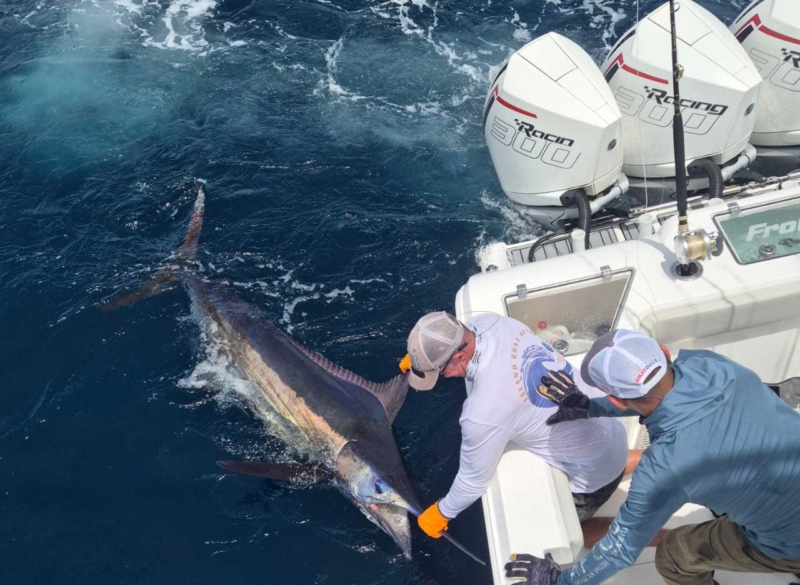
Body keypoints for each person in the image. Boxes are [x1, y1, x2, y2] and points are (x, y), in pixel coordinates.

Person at [505, 329, 800, 585]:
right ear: (663, 351)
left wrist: (560, 580)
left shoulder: (665, 467)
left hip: (790, 544)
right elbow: (667, 395)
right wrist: (590, 408)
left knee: (673, 553)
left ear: (617, 399)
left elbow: (620, 549)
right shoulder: (713, 365)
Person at [402, 311, 631, 546]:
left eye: (439, 372)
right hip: (611, 426)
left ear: (460, 356)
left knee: (577, 533)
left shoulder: (482, 412)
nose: (443, 377)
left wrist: (442, 512)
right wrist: (423, 361)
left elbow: (472, 483)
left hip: (596, 472)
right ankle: (632, 462)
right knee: (610, 456)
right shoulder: (490, 322)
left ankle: (641, 534)